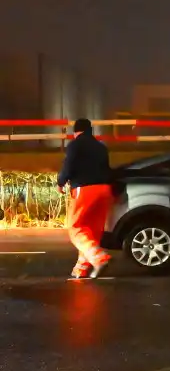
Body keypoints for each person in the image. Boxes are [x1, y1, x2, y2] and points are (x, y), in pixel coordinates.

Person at [57, 118, 115, 279]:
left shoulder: (75, 145)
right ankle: (81, 268)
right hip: (104, 190)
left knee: (75, 228)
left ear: (76, 131)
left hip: (85, 189)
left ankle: (99, 258)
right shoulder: (101, 147)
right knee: (91, 231)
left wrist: (60, 182)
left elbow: (68, 165)